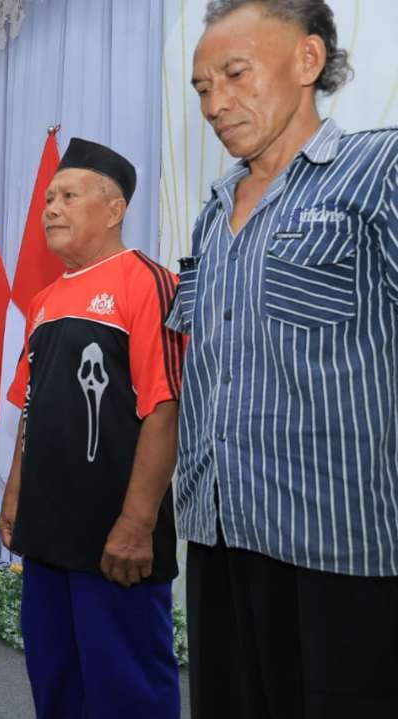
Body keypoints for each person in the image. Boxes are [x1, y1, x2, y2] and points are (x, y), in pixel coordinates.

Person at [173, 2, 398, 716]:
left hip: (342, 550)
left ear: (307, 62)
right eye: (203, 87)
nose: (216, 102)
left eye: (235, 74)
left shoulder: (378, 170)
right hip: (219, 535)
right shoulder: (214, 211)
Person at [0, 138, 184, 718]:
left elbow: (165, 407)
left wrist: (137, 523)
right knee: (55, 673)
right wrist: (14, 493)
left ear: (113, 208)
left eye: (68, 196)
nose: (50, 207)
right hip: (47, 527)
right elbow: (32, 406)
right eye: (48, 197)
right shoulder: (43, 301)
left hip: (114, 533)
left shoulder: (148, 282)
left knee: (127, 681)